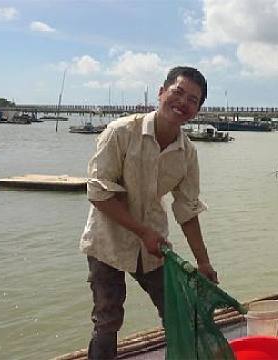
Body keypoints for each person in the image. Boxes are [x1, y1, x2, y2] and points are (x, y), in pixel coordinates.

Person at [79, 66, 219, 359]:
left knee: (176, 312)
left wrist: (203, 262)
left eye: (193, 100)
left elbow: (188, 209)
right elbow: (98, 193)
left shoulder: (188, 152)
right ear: (161, 92)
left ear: (197, 110)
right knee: (107, 320)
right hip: (108, 240)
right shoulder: (121, 132)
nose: (183, 103)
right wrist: (142, 232)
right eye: (177, 92)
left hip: (154, 247)